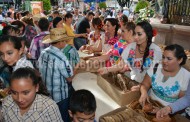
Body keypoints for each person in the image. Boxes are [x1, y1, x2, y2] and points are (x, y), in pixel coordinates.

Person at [38, 28, 74, 122]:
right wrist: (77, 68)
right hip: (60, 97)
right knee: (63, 118)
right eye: (65, 40)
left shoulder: (43, 52)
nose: (66, 42)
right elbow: (69, 79)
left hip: (46, 94)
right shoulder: (61, 57)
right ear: (60, 42)